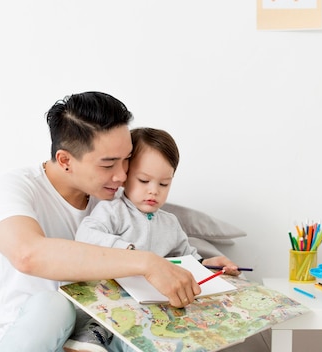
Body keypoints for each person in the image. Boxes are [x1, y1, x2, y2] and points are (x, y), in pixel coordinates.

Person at [0, 92, 203, 352]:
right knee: (54, 305)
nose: (122, 175)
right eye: (109, 164)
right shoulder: (16, 187)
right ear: (66, 160)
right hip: (36, 336)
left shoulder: (122, 201)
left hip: (103, 334)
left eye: (127, 160)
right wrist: (145, 262)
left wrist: (202, 265)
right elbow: (28, 254)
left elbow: (164, 242)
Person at [64, 127, 241, 352]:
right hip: (112, 302)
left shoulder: (170, 223)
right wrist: (128, 251)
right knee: (114, 320)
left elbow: (187, 259)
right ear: (126, 174)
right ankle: (90, 335)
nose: (154, 191)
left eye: (164, 184)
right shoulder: (112, 211)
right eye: (144, 180)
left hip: (153, 306)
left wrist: (208, 265)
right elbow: (86, 235)